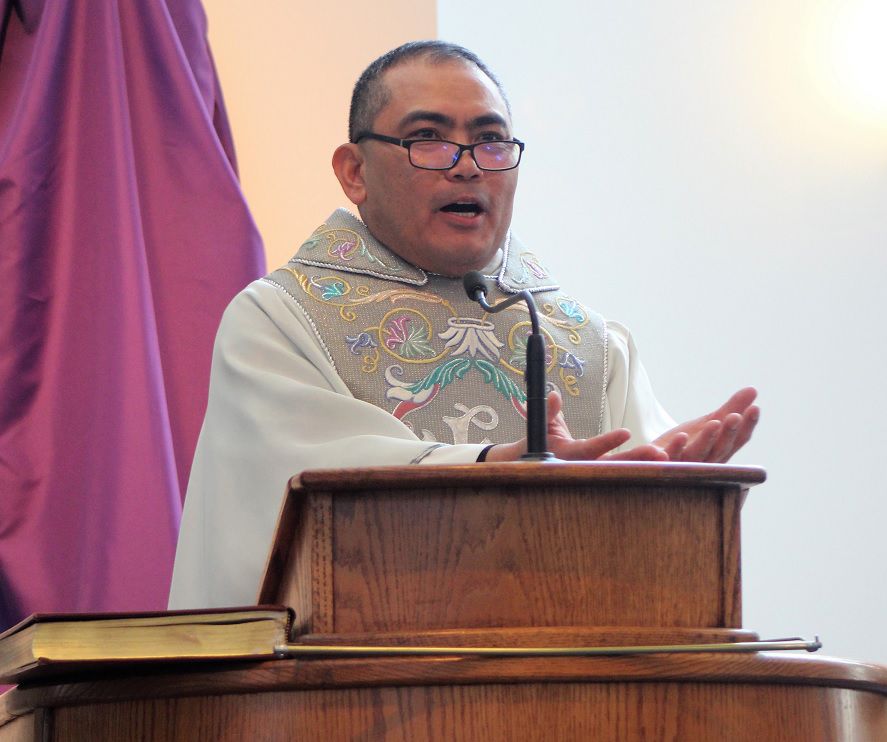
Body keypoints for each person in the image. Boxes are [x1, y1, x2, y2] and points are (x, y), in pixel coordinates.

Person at [168, 41, 758, 609]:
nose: (468, 167)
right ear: (354, 172)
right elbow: (287, 484)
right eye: (428, 138)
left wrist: (673, 485)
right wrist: (489, 468)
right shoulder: (280, 319)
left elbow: (641, 503)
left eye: (490, 141)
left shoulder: (587, 344)